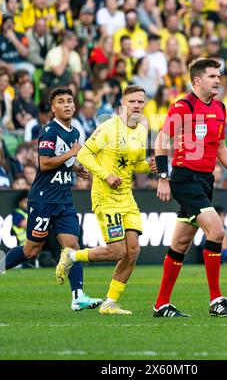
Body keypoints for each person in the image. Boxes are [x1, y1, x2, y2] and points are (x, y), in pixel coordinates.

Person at [153, 57, 227, 318]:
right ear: (197, 81)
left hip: (206, 180)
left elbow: (221, 148)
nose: (218, 79)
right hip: (184, 179)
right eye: (212, 76)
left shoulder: (220, 108)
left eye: (218, 75)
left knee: (181, 243)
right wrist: (164, 177)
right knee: (217, 230)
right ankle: (216, 300)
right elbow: (161, 141)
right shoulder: (182, 107)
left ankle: (161, 304)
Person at [55, 85, 156, 315]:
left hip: (127, 197)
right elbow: (83, 154)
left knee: (133, 251)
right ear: (123, 104)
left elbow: (135, 164)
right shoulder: (108, 127)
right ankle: (71, 255)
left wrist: (148, 166)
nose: (137, 105)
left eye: (141, 101)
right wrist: (106, 175)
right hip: (105, 196)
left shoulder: (141, 130)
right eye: (133, 102)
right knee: (117, 252)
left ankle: (109, 303)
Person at [4, 86, 101, 312]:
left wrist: (76, 168)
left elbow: (65, 160)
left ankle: (78, 297)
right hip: (43, 199)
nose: (66, 104)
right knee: (31, 251)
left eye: (69, 101)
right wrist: (73, 153)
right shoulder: (49, 131)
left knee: (73, 246)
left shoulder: (74, 132)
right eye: (61, 101)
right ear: (53, 107)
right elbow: (45, 163)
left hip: (63, 198)